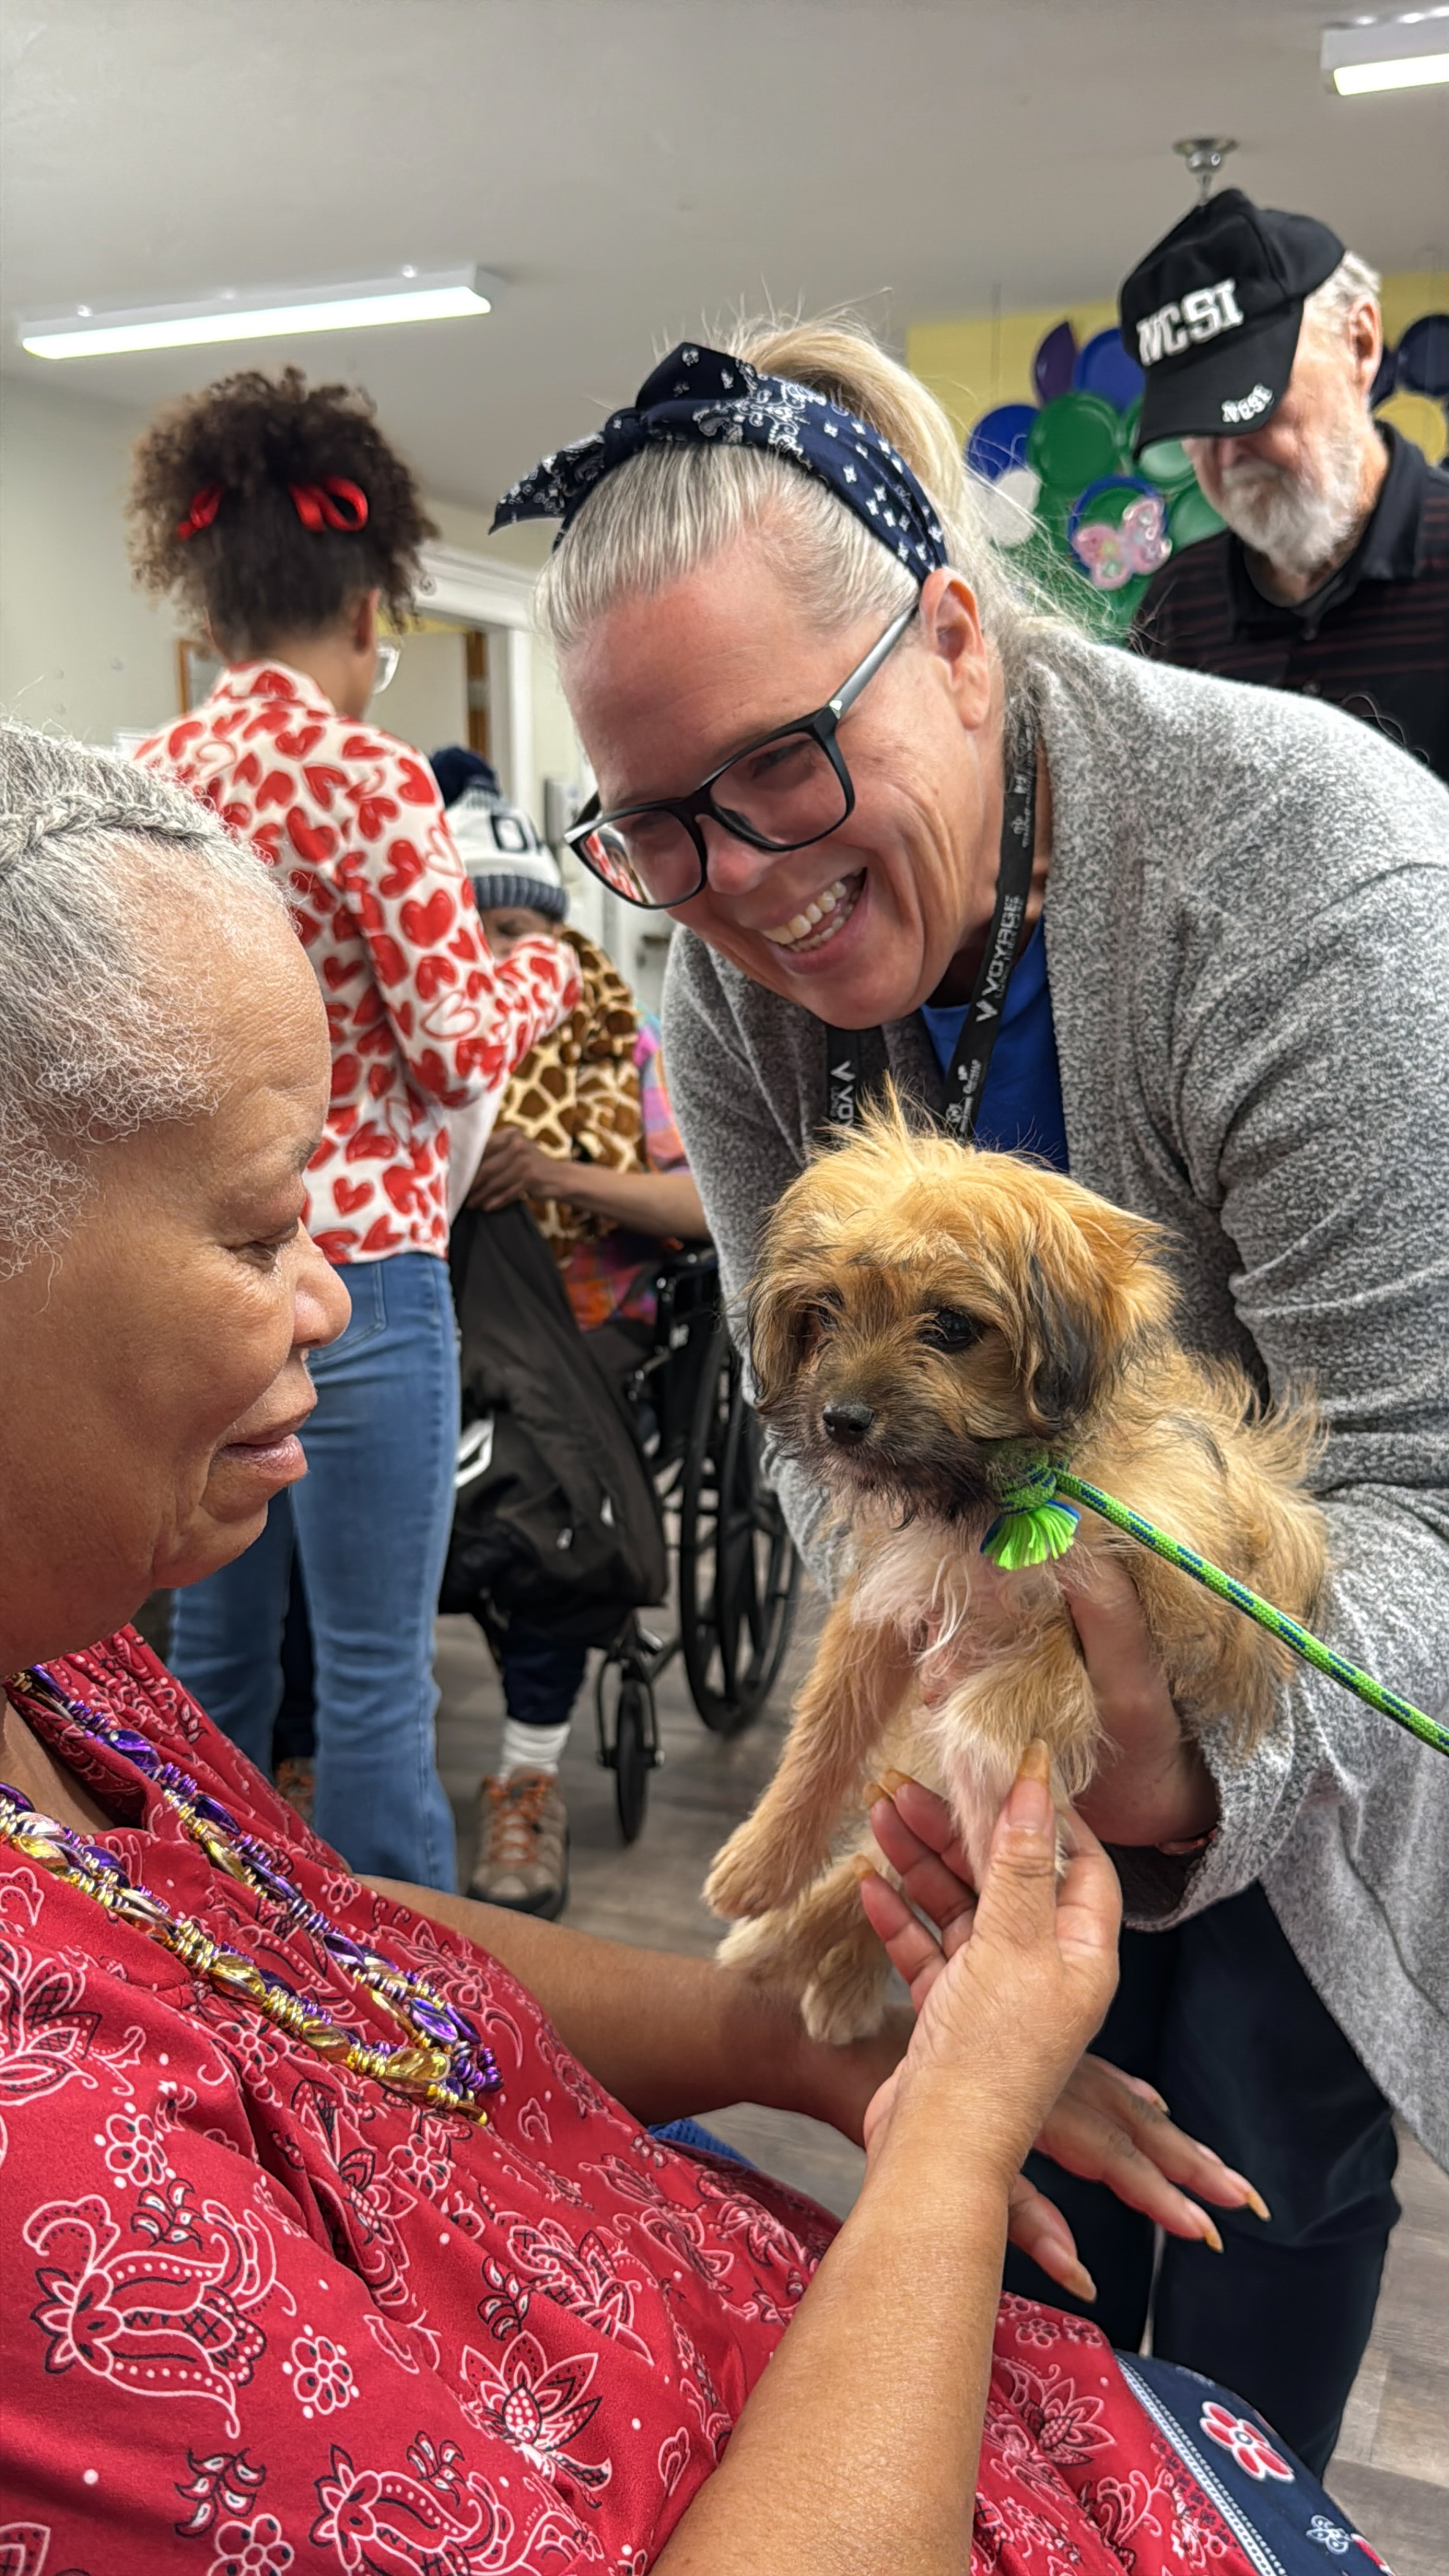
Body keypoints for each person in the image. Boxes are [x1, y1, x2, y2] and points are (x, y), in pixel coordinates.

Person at [0, 721, 1379, 2576]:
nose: (337, 1288)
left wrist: (790, 2034)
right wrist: (953, 2137)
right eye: (261, 1227)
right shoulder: (49, 2177)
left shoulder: (62, 1655)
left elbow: (302, 1944)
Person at [490, 318, 1449, 2476]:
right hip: (990, 1672)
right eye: (654, 827)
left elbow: (1422, 1493)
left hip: (1282, 1696)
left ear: (952, 637)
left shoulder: (1319, 880)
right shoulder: (727, 962)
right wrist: (942, 1695)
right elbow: (794, 1394)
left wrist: (1182, 1772)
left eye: (780, 773)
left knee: (1262, 2170)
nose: (735, 879)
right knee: (1007, 2190)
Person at [127, 368, 580, 1892]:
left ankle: (197, 2000)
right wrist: (540, 965)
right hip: (364, 1277)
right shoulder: (375, 781)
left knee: (206, 1678)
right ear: (376, 605)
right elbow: (456, 1042)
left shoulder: (141, 782)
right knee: (379, 1685)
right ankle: (408, 2073)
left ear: (203, 604)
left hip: (194, 1272)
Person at [433, 752, 708, 1917]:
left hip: (590, 1331)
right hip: (439, 1330)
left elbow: (707, 1206)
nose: (498, 957)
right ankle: (303, 1757)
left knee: (538, 1495)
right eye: (472, 935)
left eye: (517, 932)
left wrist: (547, 1172)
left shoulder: (628, 1048)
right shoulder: (415, 1057)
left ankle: (527, 1783)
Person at [1119, 188, 1449, 782]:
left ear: (1360, 344)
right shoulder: (1176, 612)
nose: (1229, 449)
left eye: (1250, 402)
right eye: (1198, 420)